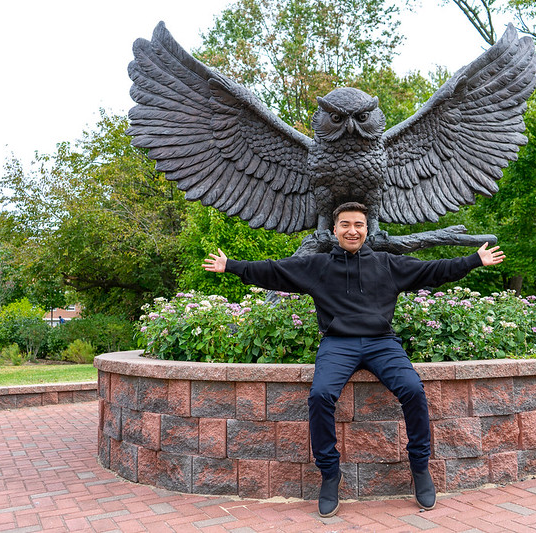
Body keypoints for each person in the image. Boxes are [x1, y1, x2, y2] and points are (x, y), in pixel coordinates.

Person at [203, 201, 505, 517]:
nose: (352, 230)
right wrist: (233, 266)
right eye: (345, 224)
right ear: (334, 230)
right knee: (320, 396)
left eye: (358, 225)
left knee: (413, 390)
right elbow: (275, 270)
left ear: (366, 229)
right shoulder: (318, 266)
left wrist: (473, 260)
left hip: (381, 344)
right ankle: (330, 474)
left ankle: (419, 467)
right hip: (338, 344)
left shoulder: (388, 264)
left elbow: (433, 270)